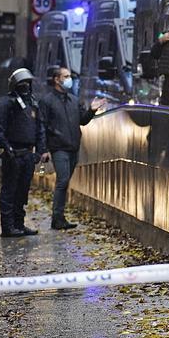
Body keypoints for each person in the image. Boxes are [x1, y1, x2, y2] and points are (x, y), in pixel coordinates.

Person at [38, 65, 105, 230]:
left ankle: (59, 217)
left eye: (69, 76)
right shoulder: (47, 101)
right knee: (62, 181)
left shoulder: (73, 100)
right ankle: (57, 217)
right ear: (56, 79)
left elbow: (82, 120)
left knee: (65, 181)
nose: (69, 79)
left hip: (73, 146)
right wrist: (43, 149)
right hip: (58, 147)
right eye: (66, 76)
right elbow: (41, 125)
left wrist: (91, 110)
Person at [0, 68, 47, 238]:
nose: (25, 88)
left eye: (27, 84)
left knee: (22, 191)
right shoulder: (6, 104)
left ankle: (19, 224)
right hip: (13, 154)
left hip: (28, 155)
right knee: (9, 191)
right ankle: (8, 227)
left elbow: (39, 129)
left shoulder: (33, 104)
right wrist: (7, 149)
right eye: (22, 85)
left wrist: (39, 151)